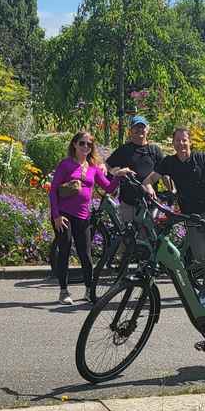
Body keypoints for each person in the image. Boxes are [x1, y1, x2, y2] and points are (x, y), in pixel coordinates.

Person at [155, 127, 205, 298]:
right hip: (191, 215)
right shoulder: (169, 162)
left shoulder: (202, 158)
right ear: (173, 143)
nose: (181, 143)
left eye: (184, 140)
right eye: (178, 140)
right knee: (202, 255)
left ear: (190, 141)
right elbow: (152, 178)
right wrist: (146, 186)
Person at [48, 131, 118, 305]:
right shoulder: (65, 165)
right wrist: (56, 216)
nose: (85, 147)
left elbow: (108, 188)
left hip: (83, 216)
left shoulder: (93, 167)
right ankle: (63, 291)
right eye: (82, 143)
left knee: (85, 254)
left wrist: (119, 176)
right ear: (74, 145)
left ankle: (89, 290)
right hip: (64, 214)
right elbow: (53, 190)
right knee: (64, 249)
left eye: (89, 144)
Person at [105, 115, 164, 235]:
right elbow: (107, 166)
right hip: (128, 203)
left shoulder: (155, 151)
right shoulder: (124, 150)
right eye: (136, 127)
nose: (139, 130)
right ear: (130, 130)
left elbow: (164, 172)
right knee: (126, 238)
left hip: (149, 203)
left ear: (147, 129)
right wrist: (117, 174)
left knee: (146, 239)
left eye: (142, 127)